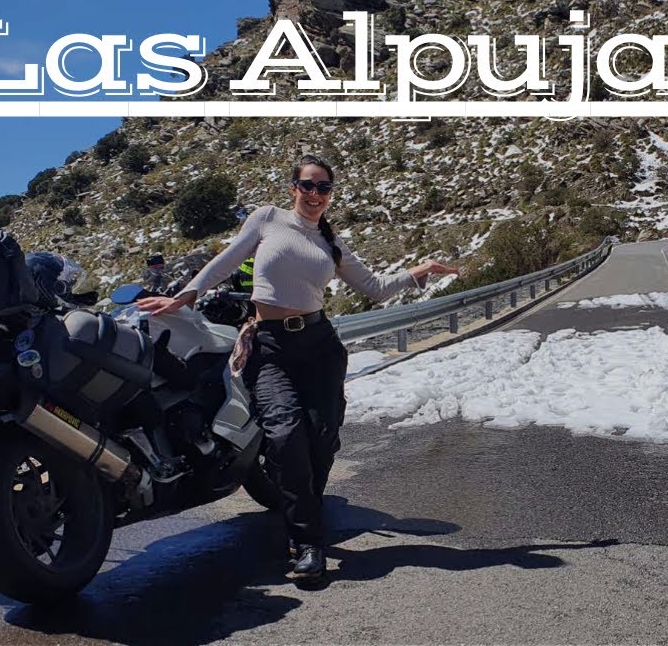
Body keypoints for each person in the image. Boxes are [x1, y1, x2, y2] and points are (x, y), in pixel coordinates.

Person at [137, 154, 458, 578]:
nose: (315, 194)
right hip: (270, 347)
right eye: (307, 185)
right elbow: (227, 260)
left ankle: (306, 511)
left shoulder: (330, 242)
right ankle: (307, 542)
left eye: (323, 188)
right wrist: (184, 296)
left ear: (330, 195)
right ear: (294, 188)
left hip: (319, 345)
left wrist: (419, 272)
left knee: (322, 440)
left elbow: (375, 288)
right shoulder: (268, 219)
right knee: (285, 436)